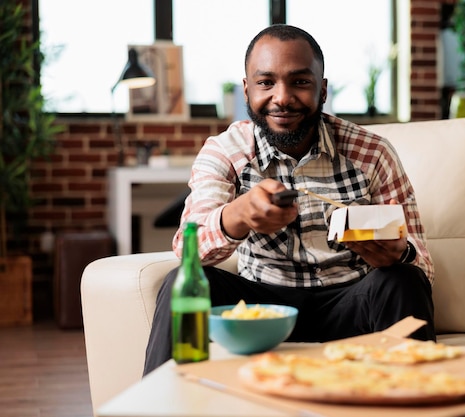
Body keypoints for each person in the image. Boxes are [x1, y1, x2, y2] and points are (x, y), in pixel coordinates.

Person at [143, 24, 435, 375]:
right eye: (266, 83)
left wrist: (398, 252)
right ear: (247, 89)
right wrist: (237, 215)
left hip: (351, 303)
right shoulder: (225, 152)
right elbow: (187, 250)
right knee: (182, 281)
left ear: (322, 90)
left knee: (403, 279)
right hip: (261, 310)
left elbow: (424, 267)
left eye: (300, 82)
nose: (282, 98)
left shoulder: (372, 153)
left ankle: (422, 399)